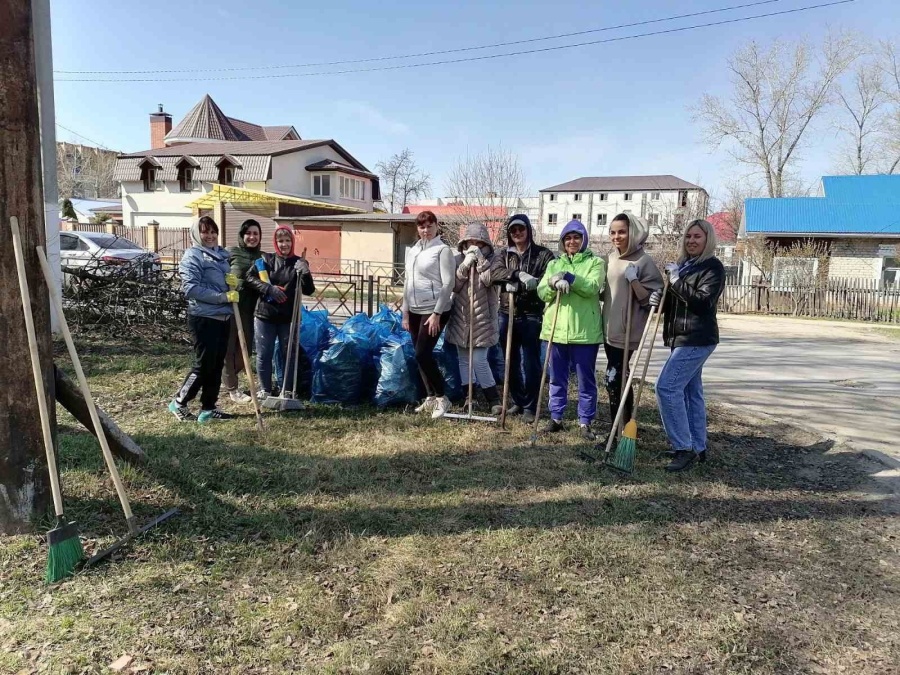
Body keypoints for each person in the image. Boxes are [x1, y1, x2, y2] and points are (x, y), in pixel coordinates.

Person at [649, 219, 725, 472]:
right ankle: (697, 447)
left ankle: (683, 447)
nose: (691, 241)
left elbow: (702, 303)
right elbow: (677, 302)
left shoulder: (712, 267)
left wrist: (676, 281)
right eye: (688, 236)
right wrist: (659, 297)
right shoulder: (684, 266)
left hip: (697, 338)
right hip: (681, 337)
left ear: (707, 239)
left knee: (666, 387)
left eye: (697, 236)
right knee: (691, 393)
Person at [537, 219, 605, 440]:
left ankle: (585, 421)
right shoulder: (554, 264)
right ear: (562, 241)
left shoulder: (595, 262)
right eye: (568, 238)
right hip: (555, 330)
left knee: (586, 380)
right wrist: (552, 283)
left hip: (584, 332)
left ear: (584, 240)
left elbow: (592, 287)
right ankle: (556, 417)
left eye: (577, 237)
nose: (572, 241)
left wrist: (570, 278)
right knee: (556, 377)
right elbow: (541, 292)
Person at [168, 216, 236, 423]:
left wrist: (234, 284)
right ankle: (179, 402)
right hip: (204, 317)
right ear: (197, 234)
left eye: (213, 231)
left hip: (223, 317)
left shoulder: (221, 255)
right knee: (204, 364)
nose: (210, 236)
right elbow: (191, 289)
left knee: (216, 364)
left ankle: (208, 407)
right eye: (205, 232)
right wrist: (222, 297)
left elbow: (222, 283)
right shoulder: (193, 256)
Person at [601, 213, 663, 437]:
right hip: (608, 328)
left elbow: (651, 301)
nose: (616, 236)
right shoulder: (610, 258)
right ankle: (623, 428)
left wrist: (634, 280)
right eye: (613, 232)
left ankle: (617, 432)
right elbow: (606, 293)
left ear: (633, 233)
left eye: (622, 232)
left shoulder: (643, 261)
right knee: (619, 379)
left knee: (614, 378)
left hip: (627, 331)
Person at [493, 214, 555, 423]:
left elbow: (546, 278)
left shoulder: (542, 254)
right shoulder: (504, 254)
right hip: (507, 312)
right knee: (510, 360)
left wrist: (529, 283)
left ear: (528, 230)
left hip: (531, 314)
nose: (517, 233)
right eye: (513, 230)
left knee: (530, 363)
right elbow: (495, 272)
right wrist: (517, 275)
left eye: (521, 229)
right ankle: (518, 401)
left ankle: (530, 405)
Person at [245, 225, 315, 398]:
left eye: (287, 240)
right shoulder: (266, 260)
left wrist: (305, 272)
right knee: (264, 354)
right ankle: (265, 390)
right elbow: (249, 278)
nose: (284, 244)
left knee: (289, 354)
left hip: (288, 317)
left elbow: (309, 290)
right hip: (265, 315)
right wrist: (268, 289)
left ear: (292, 242)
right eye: (280, 241)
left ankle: (287, 390)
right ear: (276, 243)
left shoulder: (299, 263)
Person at [446, 222, 505, 414]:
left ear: (485, 244)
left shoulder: (494, 259)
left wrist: (480, 260)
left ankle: (493, 399)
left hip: (483, 319)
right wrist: (464, 266)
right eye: (470, 242)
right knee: (464, 360)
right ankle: (469, 398)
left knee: (479, 360)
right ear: (464, 243)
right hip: (461, 317)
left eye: (479, 243)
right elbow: (454, 286)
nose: (474, 246)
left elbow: (489, 280)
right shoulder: (457, 260)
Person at [402, 210, 456, 419]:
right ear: (418, 229)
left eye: (429, 226)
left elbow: (448, 283)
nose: (426, 230)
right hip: (414, 309)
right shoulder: (413, 250)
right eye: (422, 227)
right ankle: (430, 396)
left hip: (435, 309)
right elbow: (407, 281)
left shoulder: (442, 250)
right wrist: (405, 313)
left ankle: (442, 397)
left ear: (436, 226)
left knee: (422, 354)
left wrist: (437, 313)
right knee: (420, 356)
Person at [223, 219, 263, 403]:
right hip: (231, 308)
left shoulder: (263, 258)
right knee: (229, 349)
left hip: (249, 310)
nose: (252, 237)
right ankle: (232, 388)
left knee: (244, 350)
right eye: (248, 233)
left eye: (255, 233)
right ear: (241, 235)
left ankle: (227, 377)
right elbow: (218, 271)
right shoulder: (231, 252)